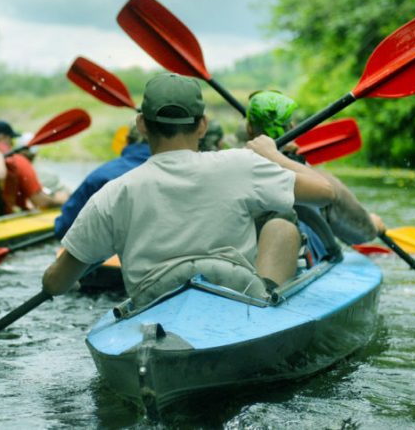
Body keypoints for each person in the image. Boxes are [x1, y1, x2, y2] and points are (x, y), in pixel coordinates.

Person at [42, 73, 335, 306]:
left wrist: (57, 280)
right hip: (236, 296)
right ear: (203, 126)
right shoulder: (241, 164)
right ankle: (270, 296)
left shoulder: (114, 192)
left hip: (152, 305)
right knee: (281, 220)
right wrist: (275, 156)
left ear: (142, 124)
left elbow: (56, 284)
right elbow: (325, 192)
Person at [246, 90, 386, 242]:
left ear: (249, 129)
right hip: (300, 256)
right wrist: (374, 227)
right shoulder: (317, 182)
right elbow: (361, 233)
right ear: (292, 127)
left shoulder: (230, 166)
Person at [54, 123, 151, 239]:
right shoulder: (175, 173)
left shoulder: (100, 177)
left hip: (110, 252)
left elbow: (65, 227)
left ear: (127, 140)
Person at [0, 120, 69, 219]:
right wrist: (61, 199)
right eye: (11, 140)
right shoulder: (18, 161)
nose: (12, 144)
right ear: (1, 138)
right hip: (5, 223)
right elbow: (41, 202)